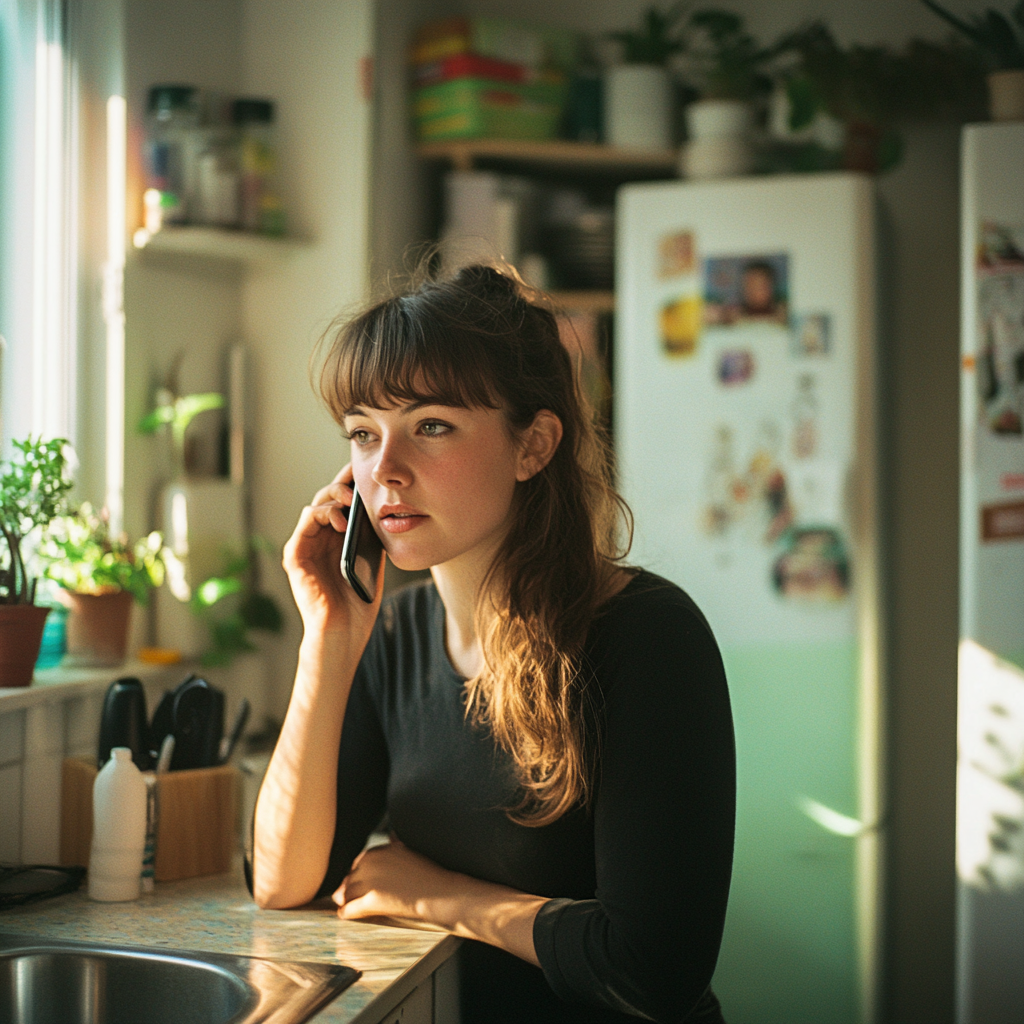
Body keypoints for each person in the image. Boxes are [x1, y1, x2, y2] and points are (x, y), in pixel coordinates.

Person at [252, 265, 736, 1023]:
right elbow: (284, 883)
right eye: (362, 434)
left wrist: (437, 897)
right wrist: (329, 638)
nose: (385, 473)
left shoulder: (647, 635)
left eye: (431, 426)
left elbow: (652, 972)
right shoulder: (397, 635)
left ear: (533, 445)